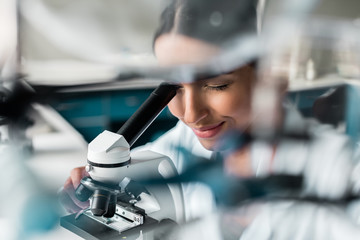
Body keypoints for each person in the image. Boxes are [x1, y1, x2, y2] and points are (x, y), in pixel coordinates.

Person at [59, 0, 265, 221]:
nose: (191, 115)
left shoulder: (298, 168)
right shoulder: (188, 139)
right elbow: (150, 161)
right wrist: (99, 177)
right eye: (173, 86)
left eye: (217, 86)